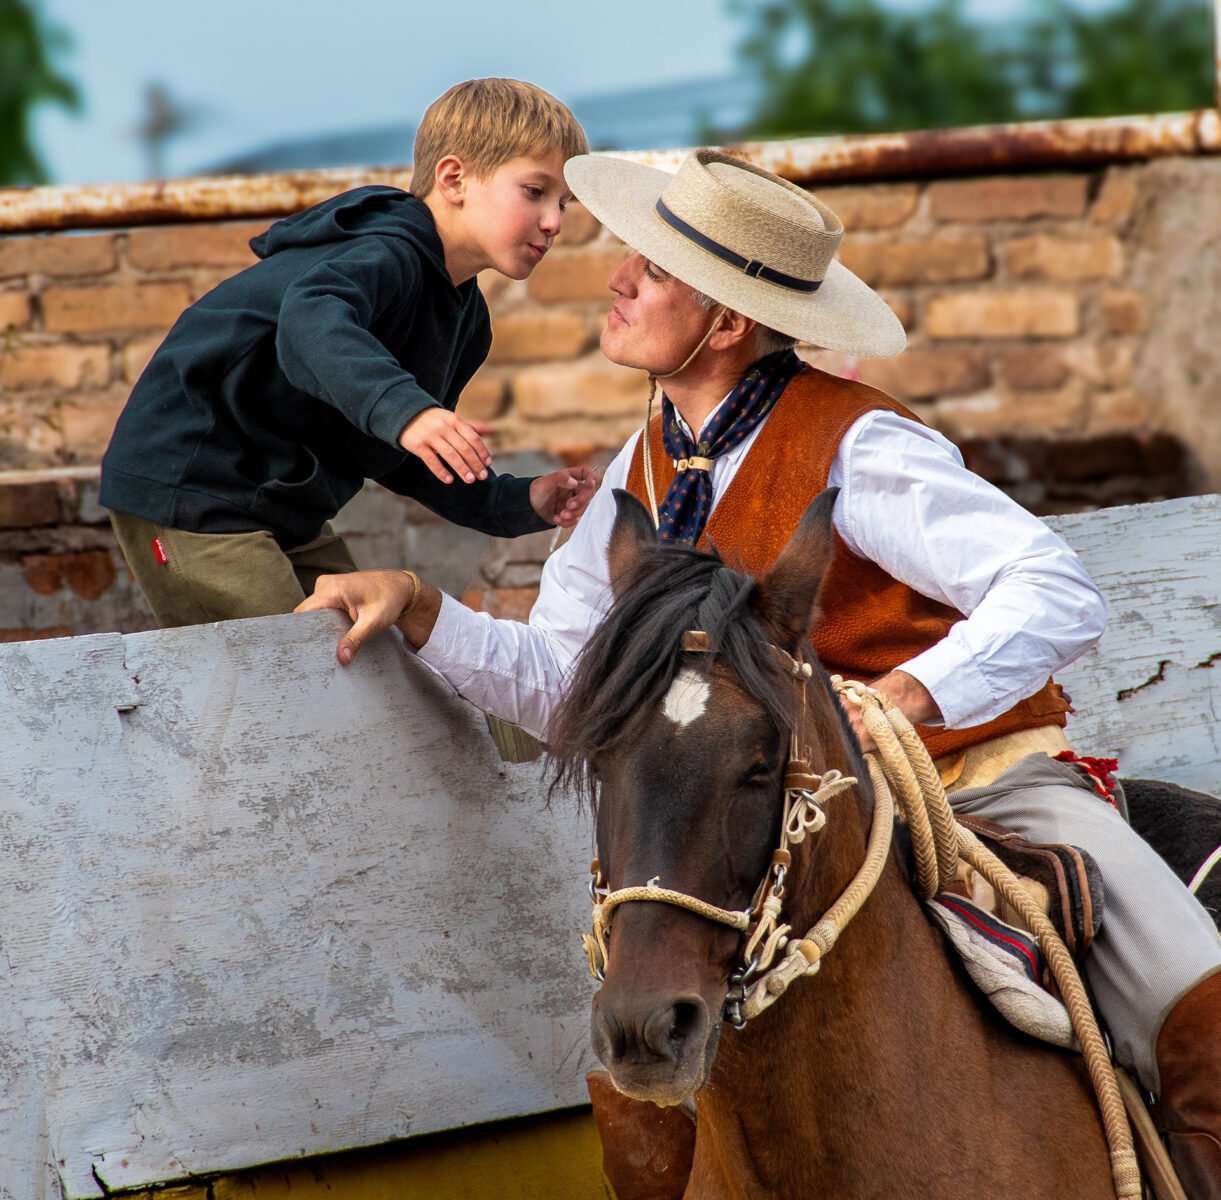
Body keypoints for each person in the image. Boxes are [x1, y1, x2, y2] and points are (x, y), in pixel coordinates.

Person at [296, 149, 1221, 1199]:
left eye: (649, 268)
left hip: (981, 787)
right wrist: (423, 611)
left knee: (1204, 1023)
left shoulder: (858, 444)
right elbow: (566, 689)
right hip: (771, 819)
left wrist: (907, 700)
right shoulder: (632, 482)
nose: (617, 279)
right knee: (636, 1082)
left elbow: (1054, 588)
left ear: (726, 321)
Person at [100, 78, 596, 628]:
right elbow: (310, 323)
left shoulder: (467, 321)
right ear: (454, 179)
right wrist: (410, 411)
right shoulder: (382, 254)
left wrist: (518, 501)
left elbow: (406, 450)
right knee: (296, 674)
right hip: (192, 487)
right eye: (535, 191)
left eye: (564, 204)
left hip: (284, 511)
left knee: (376, 651)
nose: (553, 221)